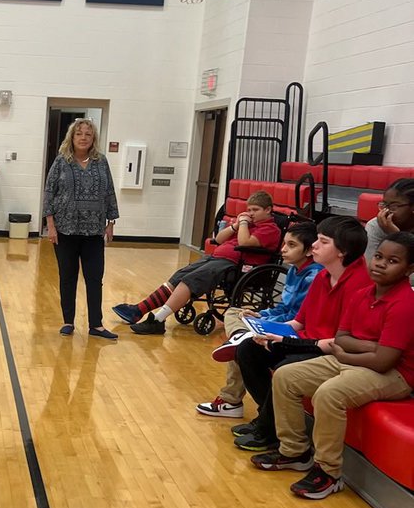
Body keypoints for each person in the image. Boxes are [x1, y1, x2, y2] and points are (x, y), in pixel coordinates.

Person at [252, 232, 414, 498]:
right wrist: (369, 346)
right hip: (356, 361)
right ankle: (295, 452)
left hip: (395, 376)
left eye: (392, 261)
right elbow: (341, 338)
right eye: (379, 256)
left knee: (329, 394)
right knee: (286, 375)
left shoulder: (406, 304)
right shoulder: (362, 294)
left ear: (409, 269)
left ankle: (329, 472)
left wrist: (348, 353)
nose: (381, 263)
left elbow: (384, 361)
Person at [232, 215, 371, 452]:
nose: (314, 245)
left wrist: (284, 341)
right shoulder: (323, 275)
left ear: (342, 251)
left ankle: (268, 428)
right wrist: (266, 330)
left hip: (329, 349)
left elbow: (343, 340)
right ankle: (269, 421)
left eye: (323, 241)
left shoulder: (361, 284)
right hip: (307, 340)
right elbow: (298, 322)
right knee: (248, 349)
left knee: (286, 364)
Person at [195, 221, 321, 418]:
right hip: (283, 320)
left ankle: (230, 400)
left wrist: (265, 319)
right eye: (285, 243)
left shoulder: (313, 277)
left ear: (309, 251)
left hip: (293, 331)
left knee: (244, 343)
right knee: (234, 312)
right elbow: (283, 307)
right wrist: (261, 315)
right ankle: (240, 335)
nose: (283, 249)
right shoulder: (292, 270)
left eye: (292, 245)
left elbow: (297, 317)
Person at [114, 191, 282, 335]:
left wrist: (244, 224)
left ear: (268, 210)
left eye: (255, 210)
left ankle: (158, 320)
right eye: (249, 210)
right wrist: (236, 225)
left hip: (235, 265)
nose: (250, 213)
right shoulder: (247, 225)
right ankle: (139, 310)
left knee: (190, 281)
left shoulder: (270, 229)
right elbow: (218, 239)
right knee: (178, 277)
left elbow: (244, 243)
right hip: (217, 258)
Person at [43, 118, 119, 339]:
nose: (83, 137)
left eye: (88, 134)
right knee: (68, 276)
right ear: (72, 137)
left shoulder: (101, 162)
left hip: (94, 231)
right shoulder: (61, 162)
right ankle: (68, 321)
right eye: (79, 134)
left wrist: (110, 223)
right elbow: (49, 192)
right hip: (65, 229)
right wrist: (50, 225)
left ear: (93, 138)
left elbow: (109, 192)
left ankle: (96, 324)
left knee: (95, 277)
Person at [365, 177, 414, 259]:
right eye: (384, 205)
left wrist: (396, 237)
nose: (386, 211)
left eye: (393, 207)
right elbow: (372, 267)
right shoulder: (376, 226)